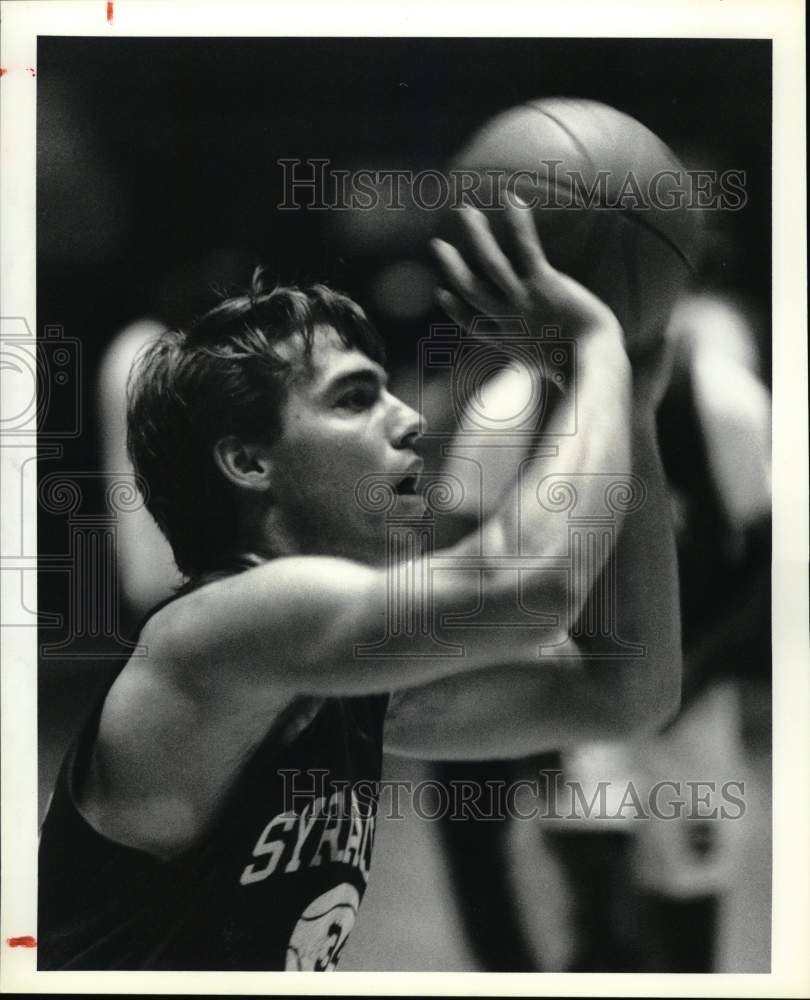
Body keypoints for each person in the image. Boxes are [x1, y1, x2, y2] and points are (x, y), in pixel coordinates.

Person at [37, 201, 681, 970]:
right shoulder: (218, 632)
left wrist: (634, 407)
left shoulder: (340, 689)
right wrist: (598, 344)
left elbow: (628, 692)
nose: (410, 419)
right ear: (248, 462)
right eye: (354, 398)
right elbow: (529, 586)